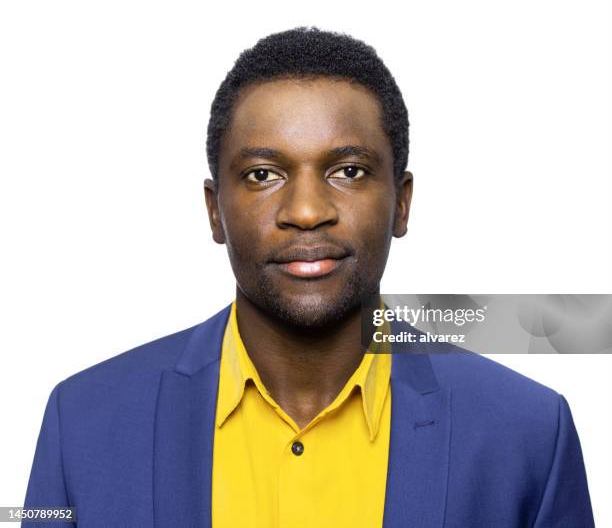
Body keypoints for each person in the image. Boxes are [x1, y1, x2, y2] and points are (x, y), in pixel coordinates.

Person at [23, 27, 595, 527]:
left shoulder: (528, 435)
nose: (305, 209)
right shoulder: (82, 425)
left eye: (348, 170)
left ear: (401, 203)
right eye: (263, 173)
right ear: (214, 210)